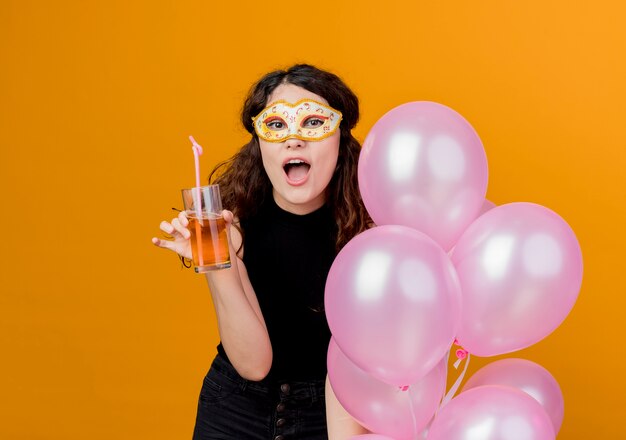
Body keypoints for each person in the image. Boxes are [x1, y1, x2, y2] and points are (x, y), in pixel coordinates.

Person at [152, 64, 371, 439]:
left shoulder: (371, 233)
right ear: (260, 141)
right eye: (277, 125)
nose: (294, 140)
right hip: (234, 408)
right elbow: (253, 364)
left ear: (340, 138)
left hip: (333, 413)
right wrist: (221, 263)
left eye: (314, 123)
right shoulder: (228, 223)